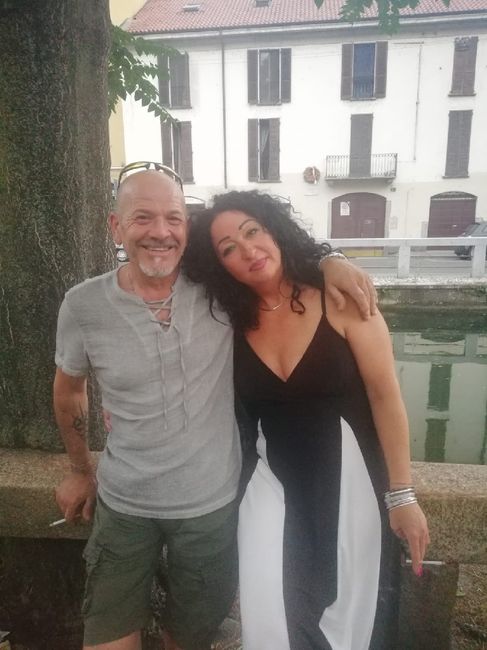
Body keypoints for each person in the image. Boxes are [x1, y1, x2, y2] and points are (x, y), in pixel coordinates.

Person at [54, 164, 378, 650]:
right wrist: (80, 469)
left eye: (173, 218)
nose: (160, 231)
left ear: (186, 229)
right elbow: (68, 390)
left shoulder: (220, 290)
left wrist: (331, 260)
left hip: (211, 508)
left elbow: (274, 265)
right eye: (142, 218)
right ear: (116, 227)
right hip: (123, 506)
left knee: (189, 639)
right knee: (107, 640)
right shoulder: (82, 306)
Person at [183, 190, 430, 650]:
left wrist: (402, 495)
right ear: (220, 266)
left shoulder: (340, 299)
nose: (248, 250)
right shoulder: (226, 323)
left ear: (275, 230)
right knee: (270, 618)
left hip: (352, 488)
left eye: (253, 231)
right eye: (228, 249)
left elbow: (386, 396)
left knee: (352, 619)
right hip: (268, 486)